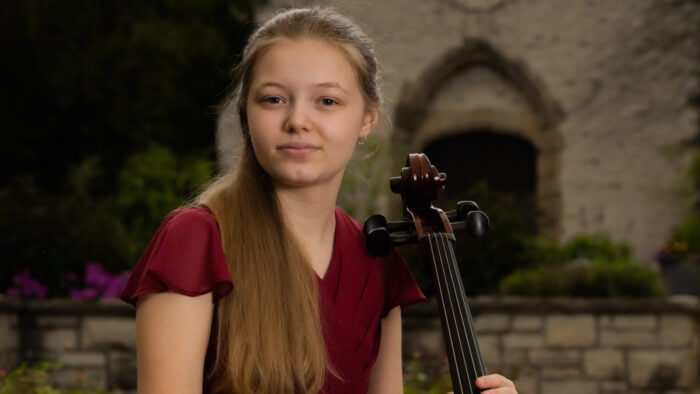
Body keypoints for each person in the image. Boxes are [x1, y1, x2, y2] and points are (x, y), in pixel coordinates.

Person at [120, 7, 518, 394]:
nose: (297, 120)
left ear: (367, 118)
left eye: (327, 101)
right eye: (273, 99)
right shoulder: (195, 240)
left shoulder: (376, 260)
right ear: (245, 113)